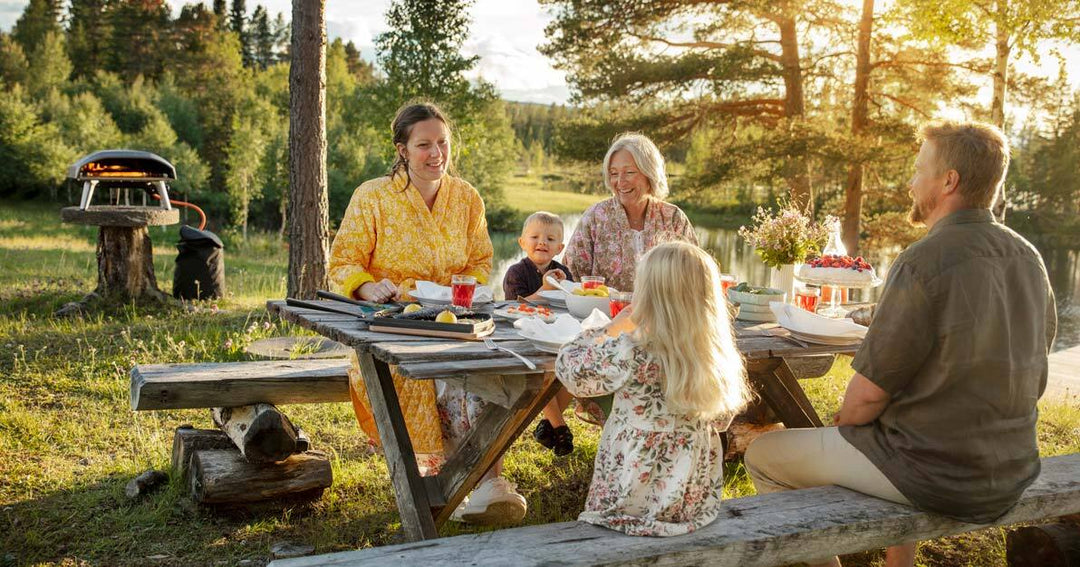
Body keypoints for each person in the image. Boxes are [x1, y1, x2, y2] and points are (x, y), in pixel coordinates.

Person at [743, 120, 1057, 567]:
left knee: (764, 453)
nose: (911, 182)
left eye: (918, 169)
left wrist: (848, 424)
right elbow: (1036, 375)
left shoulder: (922, 262)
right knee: (885, 433)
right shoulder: (1030, 258)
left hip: (938, 477)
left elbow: (864, 401)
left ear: (948, 181)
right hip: (1012, 469)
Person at [329, 102, 526, 525]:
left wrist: (466, 285)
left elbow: (480, 260)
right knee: (450, 385)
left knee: (488, 379)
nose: (436, 152)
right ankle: (467, 486)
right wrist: (366, 285)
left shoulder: (467, 198)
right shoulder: (373, 196)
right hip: (395, 325)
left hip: (454, 320)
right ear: (402, 149)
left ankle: (483, 486)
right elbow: (342, 262)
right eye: (423, 145)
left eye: (442, 143)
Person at [555, 241, 751, 536]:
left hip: (629, 498)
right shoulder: (715, 354)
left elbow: (568, 369)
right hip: (692, 504)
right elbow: (722, 420)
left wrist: (610, 329)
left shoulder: (631, 350)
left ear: (649, 295)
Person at [563, 133, 698, 294]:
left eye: (629, 172)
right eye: (614, 173)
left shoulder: (674, 218)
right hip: (603, 316)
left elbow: (695, 276)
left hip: (663, 317)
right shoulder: (596, 217)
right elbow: (570, 279)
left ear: (650, 173)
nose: (620, 182)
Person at [502, 211, 577, 456]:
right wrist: (544, 289)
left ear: (559, 247)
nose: (542, 242)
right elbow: (515, 306)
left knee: (569, 372)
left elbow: (570, 305)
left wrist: (568, 289)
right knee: (543, 375)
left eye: (550, 239)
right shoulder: (516, 272)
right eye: (534, 236)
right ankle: (559, 426)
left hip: (555, 334)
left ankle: (546, 426)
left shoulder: (562, 271)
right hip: (522, 336)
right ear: (522, 242)